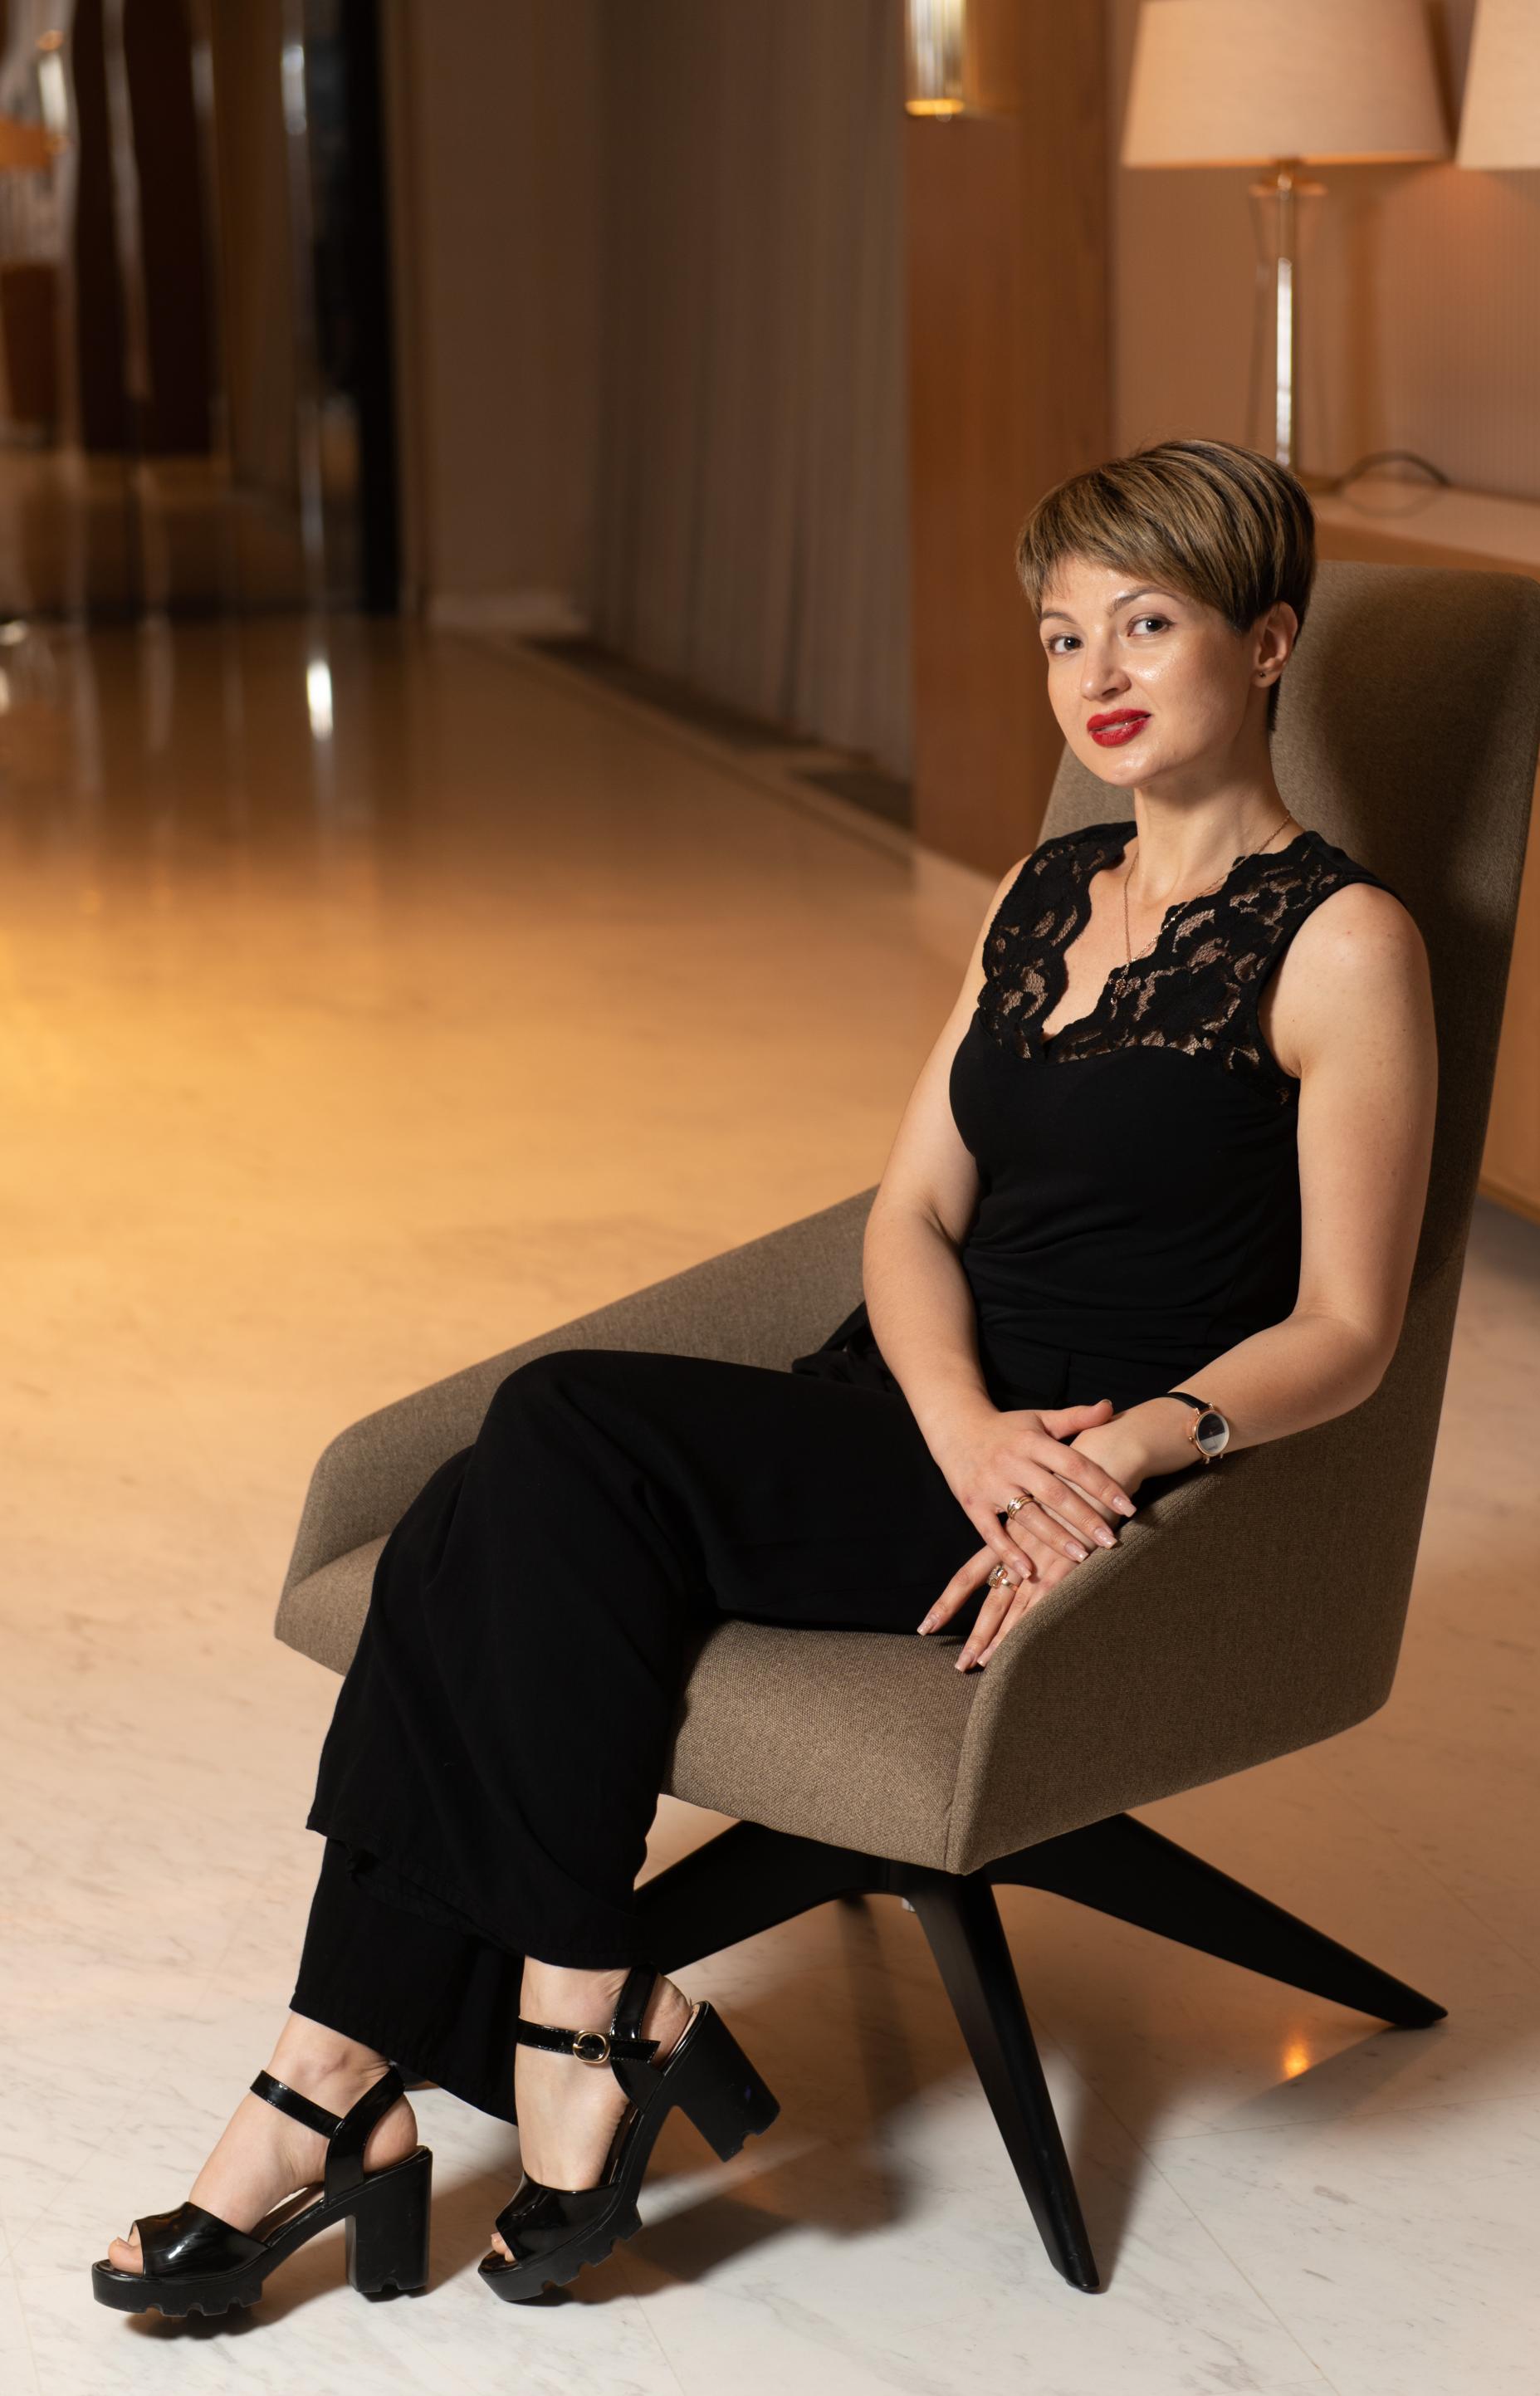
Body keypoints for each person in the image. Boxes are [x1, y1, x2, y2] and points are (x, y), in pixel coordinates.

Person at [90, 435, 1437, 2317]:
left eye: (1148, 625)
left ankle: (430, 2064)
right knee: (477, 1510)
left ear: (1269, 641)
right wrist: (953, 1420)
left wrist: (1129, 1448)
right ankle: (408, 2070)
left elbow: (1353, 1327)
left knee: (549, 1435)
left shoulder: (1346, 944)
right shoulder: (1046, 889)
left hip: (1067, 1475)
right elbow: (911, 1212)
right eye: (1064, 637)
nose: (1098, 676)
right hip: (920, 1418)